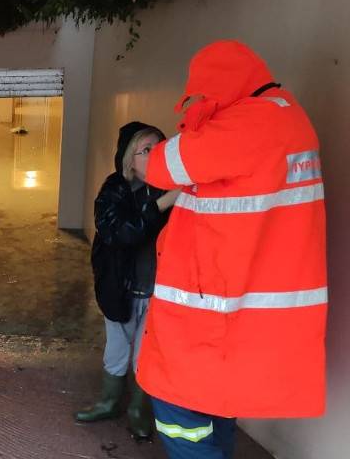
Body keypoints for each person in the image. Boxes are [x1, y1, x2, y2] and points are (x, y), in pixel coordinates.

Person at [137, 40, 327, 459]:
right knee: (215, 413)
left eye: (202, 94)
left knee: (182, 422)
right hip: (235, 311)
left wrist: (197, 117)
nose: (201, 102)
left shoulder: (250, 123)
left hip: (209, 318)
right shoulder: (288, 119)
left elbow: (158, 166)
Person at [75, 122, 179, 440]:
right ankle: (109, 402)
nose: (154, 154)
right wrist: (162, 204)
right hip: (120, 288)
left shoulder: (173, 189)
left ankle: (137, 409)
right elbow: (120, 233)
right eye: (146, 150)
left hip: (158, 292)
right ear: (128, 159)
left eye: (159, 148)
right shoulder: (114, 189)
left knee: (145, 355)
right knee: (118, 348)